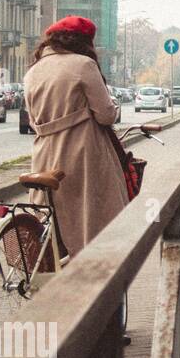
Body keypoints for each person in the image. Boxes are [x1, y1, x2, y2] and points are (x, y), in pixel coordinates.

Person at [22, 15, 126, 255]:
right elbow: (105, 115)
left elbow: (32, 119)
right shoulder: (83, 65)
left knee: (51, 218)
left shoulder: (33, 70)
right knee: (90, 218)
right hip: (81, 153)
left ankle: (47, 268)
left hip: (44, 153)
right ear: (84, 42)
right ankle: (91, 273)